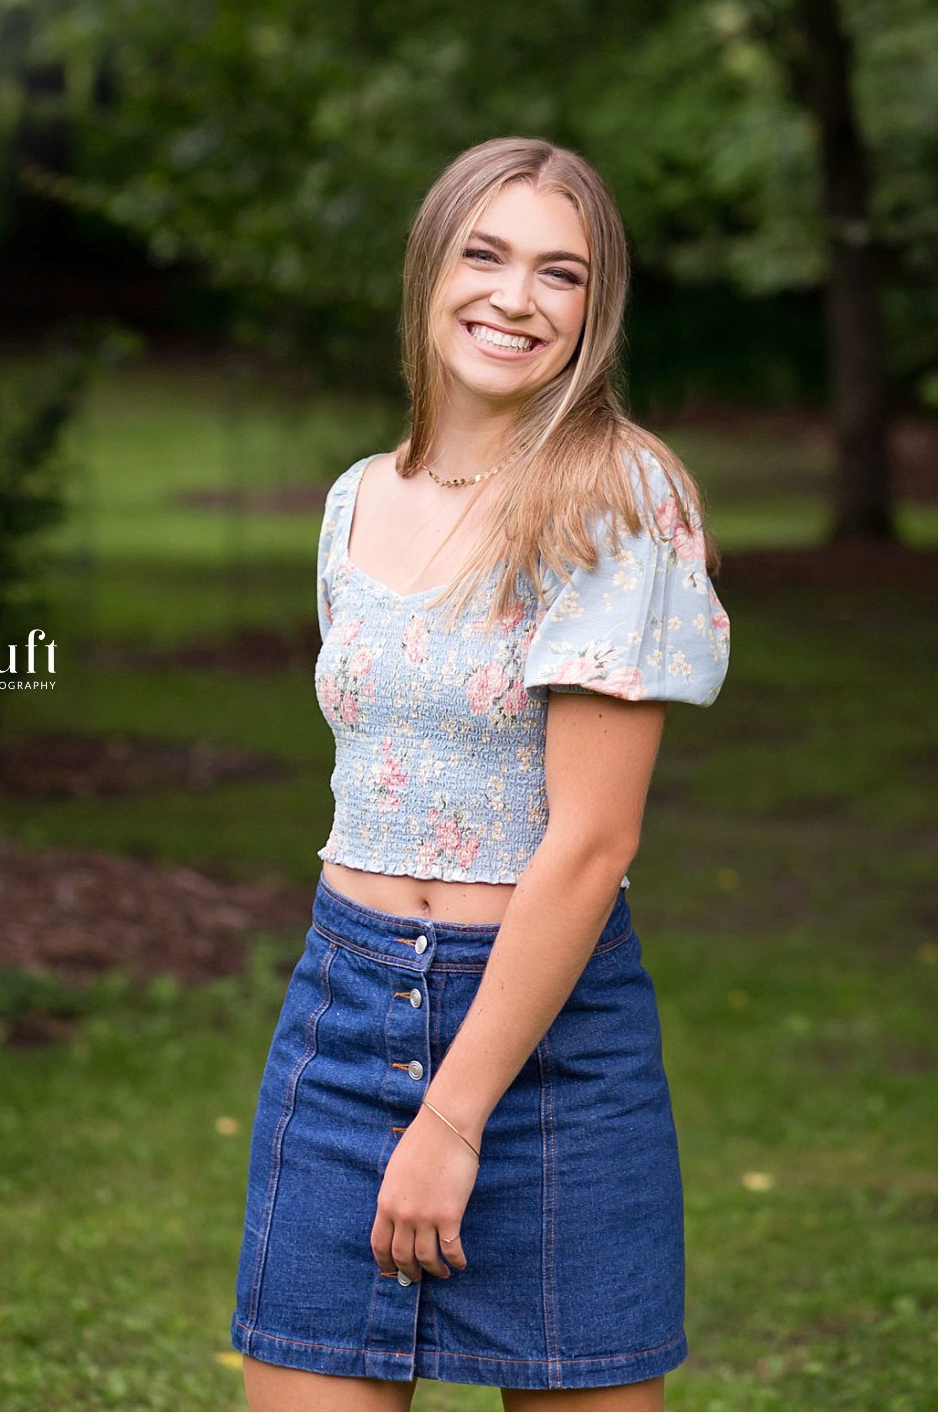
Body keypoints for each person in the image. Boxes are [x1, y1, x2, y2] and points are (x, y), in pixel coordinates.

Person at [232, 138, 730, 1410]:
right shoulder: (354, 499)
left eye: (558, 273)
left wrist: (451, 1120)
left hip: (549, 1043)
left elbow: (592, 842)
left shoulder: (615, 497)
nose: (514, 298)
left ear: (592, 310)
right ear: (429, 269)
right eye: (485, 255)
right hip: (342, 1011)